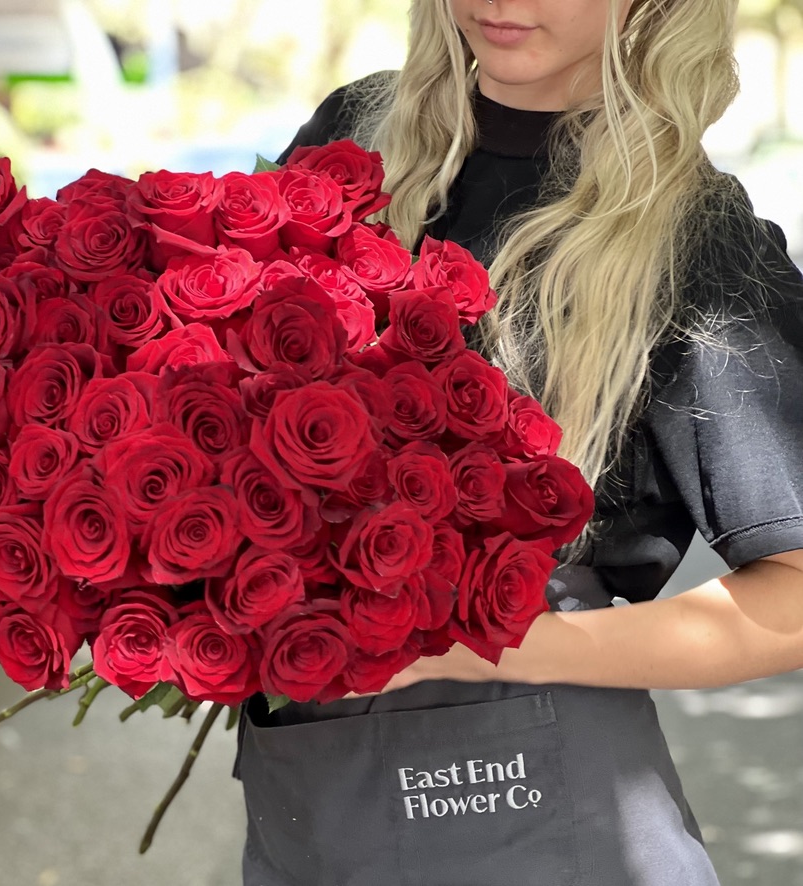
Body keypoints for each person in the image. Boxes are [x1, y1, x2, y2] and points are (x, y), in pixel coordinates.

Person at [233, 1, 803, 883]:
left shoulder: (694, 235)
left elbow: (794, 601)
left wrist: (466, 645)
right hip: (314, 792)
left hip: (543, 817)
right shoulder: (355, 137)